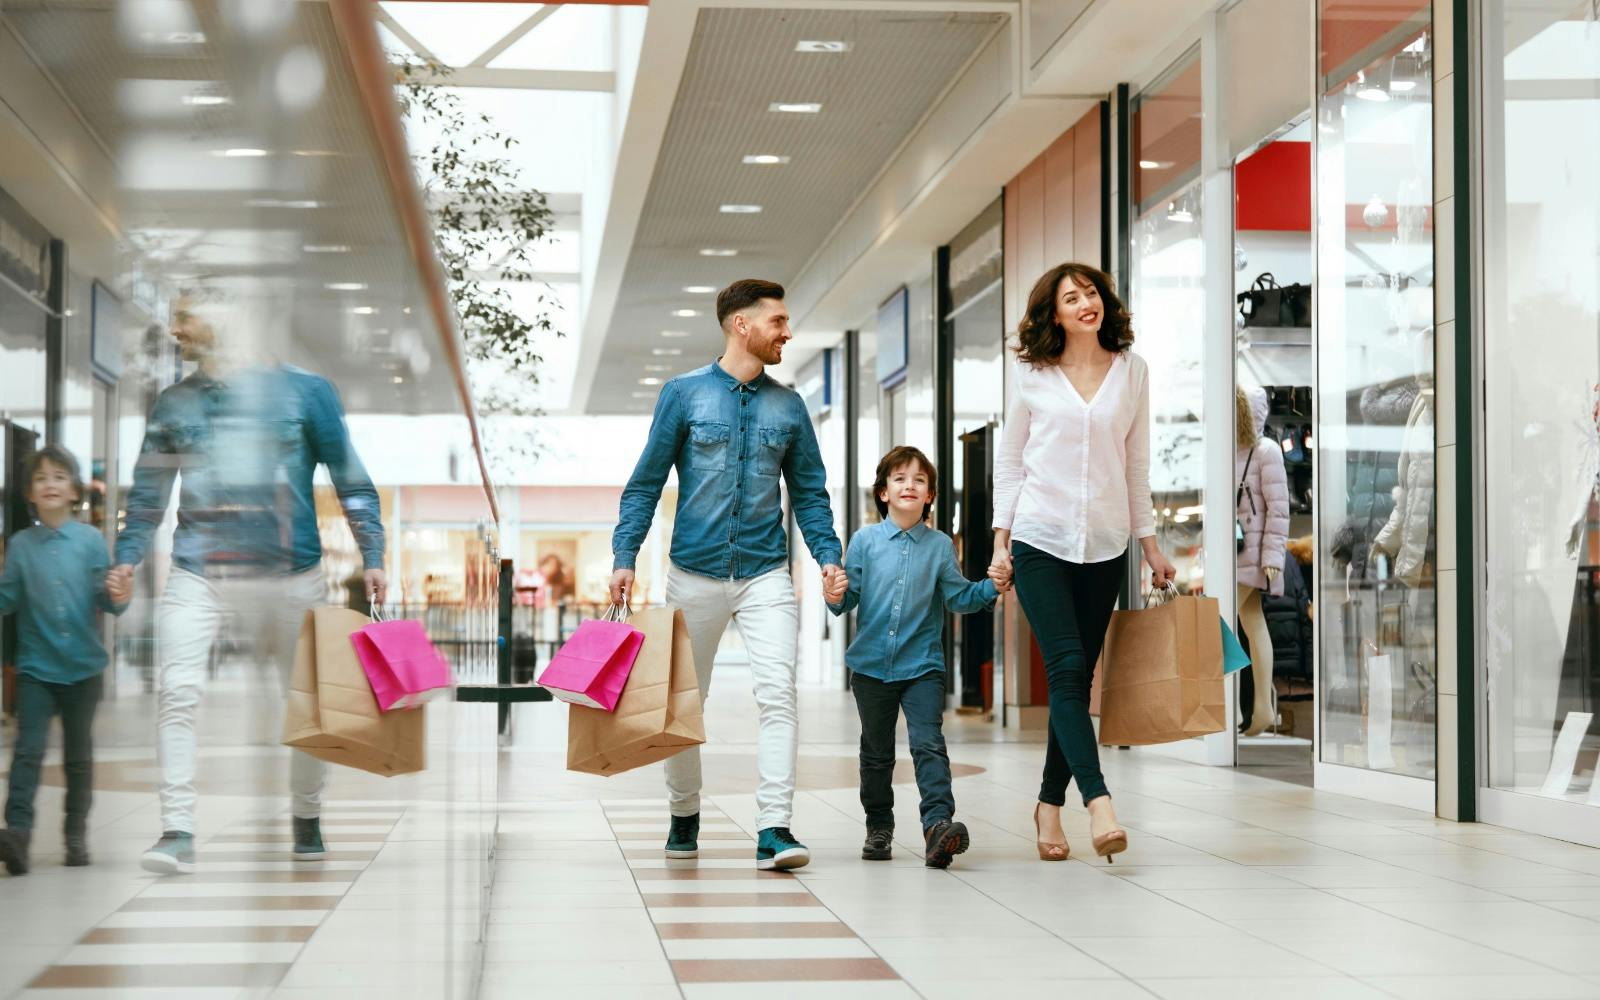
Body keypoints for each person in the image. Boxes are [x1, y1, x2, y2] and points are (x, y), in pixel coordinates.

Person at [111, 292, 387, 874]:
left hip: (293, 575)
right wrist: (128, 557)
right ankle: (177, 830)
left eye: (187, 316)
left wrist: (374, 553)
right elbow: (147, 494)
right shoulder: (174, 404)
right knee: (177, 692)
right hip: (199, 573)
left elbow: (350, 478)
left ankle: (306, 815)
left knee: (305, 700)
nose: (176, 328)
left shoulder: (307, 393)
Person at [609, 278, 843, 872]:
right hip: (694, 574)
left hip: (766, 574)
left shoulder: (788, 406)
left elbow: (811, 494)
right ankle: (684, 812)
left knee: (778, 697)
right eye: (778, 322)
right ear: (742, 324)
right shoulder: (683, 396)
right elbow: (645, 483)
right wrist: (624, 556)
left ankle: (774, 829)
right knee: (684, 701)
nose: (787, 332)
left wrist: (828, 557)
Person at [988, 262, 1176, 863]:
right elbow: (1011, 463)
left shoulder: (1133, 371)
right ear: (1055, 313)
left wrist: (1149, 546)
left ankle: (1047, 805)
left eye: (1090, 292)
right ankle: (1099, 803)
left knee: (1076, 679)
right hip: (1040, 538)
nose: (1084, 303)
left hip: (1106, 543)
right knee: (1067, 669)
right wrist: (1000, 541)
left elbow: (1136, 464)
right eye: (1071, 298)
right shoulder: (1030, 375)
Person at [827, 446, 1002, 869]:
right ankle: (879, 827)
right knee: (876, 752)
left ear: (930, 497)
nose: (910, 485)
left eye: (919, 480)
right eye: (900, 478)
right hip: (870, 667)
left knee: (929, 744)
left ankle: (937, 826)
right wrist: (834, 595)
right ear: (883, 492)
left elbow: (958, 596)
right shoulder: (865, 541)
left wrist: (992, 587)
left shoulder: (940, 546)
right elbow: (847, 598)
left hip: (922, 665)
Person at [0, 446, 131, 875]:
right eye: (40, 479)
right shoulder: (20, 546)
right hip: (36, 668)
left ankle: (75, 833)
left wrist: (119, 596)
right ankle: (16, 834)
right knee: (27, 752)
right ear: (30, 495)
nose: (50, 484)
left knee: (78, 756)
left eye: (58, 477)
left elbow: (106, 601)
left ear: (74, 491)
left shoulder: (92, 541)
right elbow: (9, 598)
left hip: (83, 670)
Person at [1235, 385, 1289, 735]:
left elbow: (1278, 508)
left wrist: (1273, 558)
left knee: (1223, 623)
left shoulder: (1265, 450)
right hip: (1233, 552)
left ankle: (1244, 708)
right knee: (1251, 624)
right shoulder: (1229, 450)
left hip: (1251, 555)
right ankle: (1260, 708)